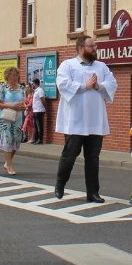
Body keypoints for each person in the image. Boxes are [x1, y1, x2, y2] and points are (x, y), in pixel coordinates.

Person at [54, 35, 117, 203]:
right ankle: (60, 183)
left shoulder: (101, 67)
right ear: (82, 48)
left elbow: (112, 84)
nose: (95, 48)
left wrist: (98, 86)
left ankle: (93, 192)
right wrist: (84, 86)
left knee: (93, 158)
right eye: (92, 46)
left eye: (95, 46)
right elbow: (62, 84)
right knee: (70, 155)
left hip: (95, 120)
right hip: (75, 120)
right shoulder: (68, 65)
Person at [0, 67, 27, 175]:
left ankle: (8, 162)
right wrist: (12, 106)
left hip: (17, 117)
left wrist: (23, 107)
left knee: (16, 140)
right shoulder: (3, 87)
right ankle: (9, 165)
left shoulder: (21, 88)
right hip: (5, 118)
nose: (15, 77)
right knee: (7, 139)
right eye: (13, 75)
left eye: (16, 75)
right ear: (7, 76)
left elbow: (23, 102)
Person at [30, 77, 46, 144]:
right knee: (36, 126)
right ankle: (36, 139)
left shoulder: (40, 90)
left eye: (32, 83)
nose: (32, 85)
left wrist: (46, 108)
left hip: (39, 110)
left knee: (39, 126)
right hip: (35, 110)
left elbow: (43, 100)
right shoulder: (36, 91)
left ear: (35, 83)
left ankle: (40, 139)